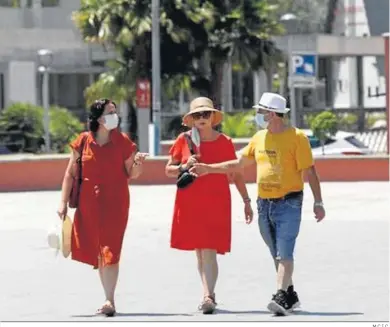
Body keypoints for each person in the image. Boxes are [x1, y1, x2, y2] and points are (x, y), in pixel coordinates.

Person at [190, 92, 326, 316]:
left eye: (260, 111)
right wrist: (208, 169)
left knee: (285, 252)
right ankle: (290, 294)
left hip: (289, 203)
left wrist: (318, 201)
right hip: (264, 204)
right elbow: (238, 163)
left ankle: (281, 295)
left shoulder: (297, 137)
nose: (258, 115)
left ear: (272, 113)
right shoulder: (259, 138)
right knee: (276, 252)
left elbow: (309, 171)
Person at [57, 99, 148, 317]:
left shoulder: (123, 142)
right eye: (110, 112)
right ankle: (107, 296)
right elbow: (69, 174)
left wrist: (138, 164)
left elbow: (132, 174)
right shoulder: (83, 142)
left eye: (115, 112)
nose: (115, 116)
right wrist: (62, 203)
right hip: (89, 203)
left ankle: (109, 299)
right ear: (98, 119)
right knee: (99, 249)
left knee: (111, 249)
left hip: (116, 202)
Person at [165, 97, 253, 314]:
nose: (202, 118)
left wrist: (246, 200)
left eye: (206, 114)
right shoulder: (184, 140)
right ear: (191, 119)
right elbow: (169, 169)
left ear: (213, 117)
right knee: (200, 251)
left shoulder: (225, 142)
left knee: (210, 249)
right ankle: (207, 292)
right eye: (197, 115)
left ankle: (208, 295)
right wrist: (184, 166)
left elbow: (236, 173)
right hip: (190, 201)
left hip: (217, 200)